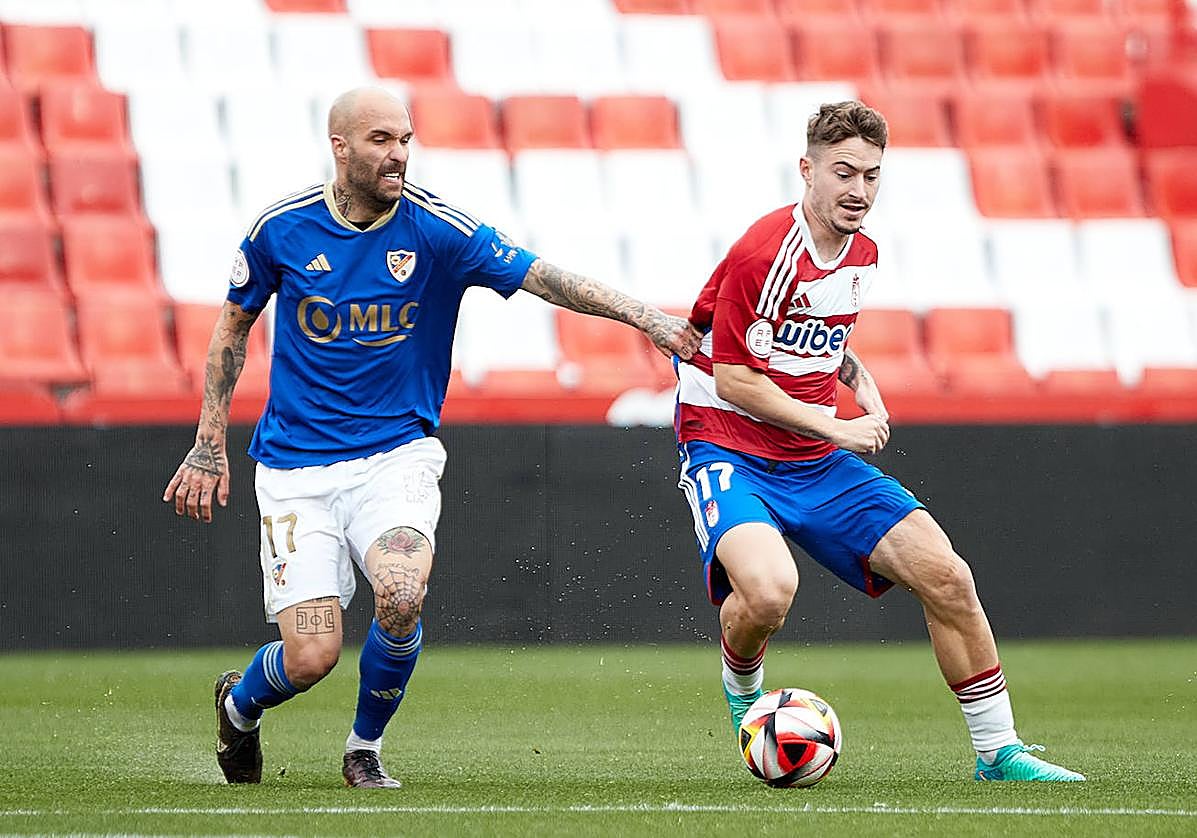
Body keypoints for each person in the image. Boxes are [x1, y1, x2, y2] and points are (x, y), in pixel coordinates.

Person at [163, 86, 701, 789]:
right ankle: (238, 707)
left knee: (400, 593)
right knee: (311, 657)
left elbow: (542, 277)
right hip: (296, 470)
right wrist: (209, 443)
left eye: (406, 139)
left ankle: (364, 747)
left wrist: (647, 318)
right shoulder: (282, 230)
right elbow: (232, 328)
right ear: (340, 146)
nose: (398, 155)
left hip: (395, 457)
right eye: (382, 140)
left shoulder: (435, 228)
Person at [673, 101, 1084, 782]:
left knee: (946, 576)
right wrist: (838, 425)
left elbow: (817, 341)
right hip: (728, 445)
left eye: (870, 175)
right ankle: (743, 689)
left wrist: (861, 382)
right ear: (806, 170)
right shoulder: (763, 252)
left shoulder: (860, 252)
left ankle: (998, 752)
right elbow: (738, 378)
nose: (858, 190)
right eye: (843, 172)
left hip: (811, 455)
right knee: (771, 592)